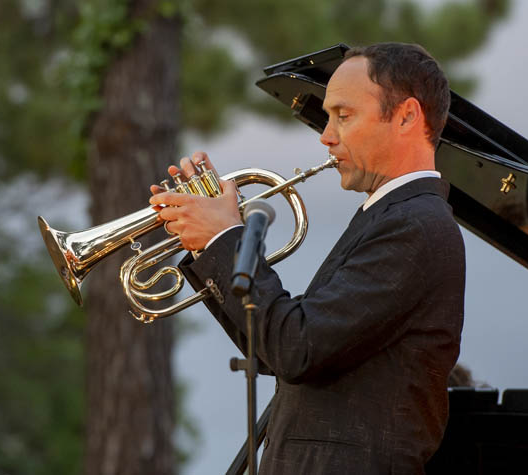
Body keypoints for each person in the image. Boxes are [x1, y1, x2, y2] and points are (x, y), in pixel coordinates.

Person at [150, 43, 465, 474]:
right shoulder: (391, 217)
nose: (326, 135)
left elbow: (297, 347)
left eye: (344, 115)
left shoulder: (415, 225)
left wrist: (225, 237)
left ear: (407, 116)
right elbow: (271, 352)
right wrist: (205, 244)